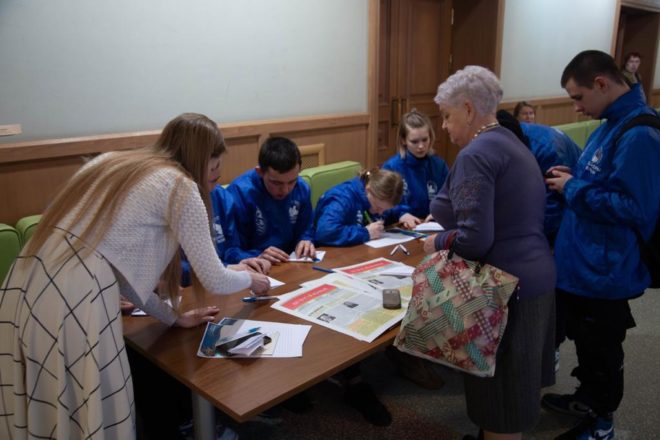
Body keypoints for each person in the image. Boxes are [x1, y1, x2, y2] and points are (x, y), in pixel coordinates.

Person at [0, 113, 270, 439]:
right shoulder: (180, 186)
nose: (216, 174)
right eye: (215, 167)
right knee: (90, 399)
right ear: (202, 158)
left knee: (45, 395)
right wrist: (252, 280)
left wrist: (173, 317)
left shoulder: (117, 164)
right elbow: (214, 279)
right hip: (75, 298)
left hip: (27, 279)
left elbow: (125, 277)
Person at [428, 66, 556, 440]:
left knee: (501, 405)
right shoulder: (512, 143)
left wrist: (436, 242)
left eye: (447, 116)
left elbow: (474, 241)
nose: (445, 128)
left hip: (503, 288)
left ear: (468, 109)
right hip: (534, 277)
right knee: (513, 395)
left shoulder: (477, 153)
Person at [542, 50, 660, 440]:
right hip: (585, 264)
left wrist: (573, 187)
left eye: (578, 97)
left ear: (601, 83)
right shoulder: (611, 123)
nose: (576, 107)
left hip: (605, 271)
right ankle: (587, 400)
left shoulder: (639, 133)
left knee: (602, 351)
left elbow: (634, 208)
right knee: (588, 345)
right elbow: (605, 181)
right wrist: (574, 176)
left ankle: (602, 424)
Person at [225, 136, 316, 264]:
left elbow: (306, 229)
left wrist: (306, 240)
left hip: (291, 264)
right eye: (276, 183)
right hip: (256, 266)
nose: (285, 190)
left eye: (291, 182)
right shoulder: (239, 194)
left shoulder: (301, 187)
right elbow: (230, 251)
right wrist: (258, 255)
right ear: (260, 172)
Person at [181, 185, 271, 287]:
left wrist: (249, 259)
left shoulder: (220, 194)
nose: (217, 172)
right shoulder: (176, 200)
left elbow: (230, 248)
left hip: (222, 282)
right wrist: (225, 269)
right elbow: (173, 269)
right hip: (192, 286)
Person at [381, 109, 449, 229]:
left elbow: (450, 197)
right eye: (414, 142)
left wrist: (439, 212)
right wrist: (401, 214)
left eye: (425, 140)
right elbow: (380, 204)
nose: (421, 146)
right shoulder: (391, 167)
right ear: (403, 140)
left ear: (431, 137)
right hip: (402, 227)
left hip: (432, 226)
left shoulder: (439, 165)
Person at [314, 169, 403, 246]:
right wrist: (366, 233)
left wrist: (402, 214)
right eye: (378, 207)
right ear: (368, 190)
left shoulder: (378, 199)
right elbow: (325, 232)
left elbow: (390, 212)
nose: (380, 213)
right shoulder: (342, 198)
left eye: (384, 209)